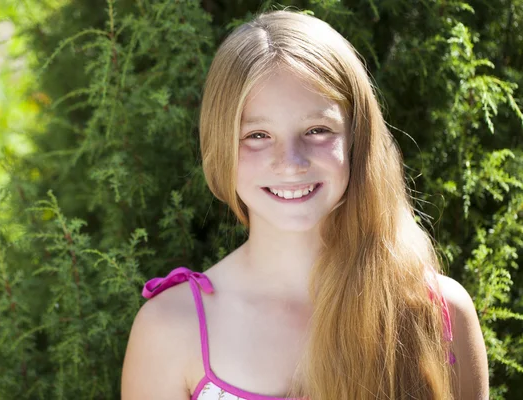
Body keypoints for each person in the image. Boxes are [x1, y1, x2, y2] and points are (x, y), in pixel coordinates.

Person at [121, 9, 489, 400]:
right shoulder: (170, 328)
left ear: (356, 138)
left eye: (317, 130)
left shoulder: (439, 312)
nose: (291, 162)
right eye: (258, 135)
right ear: (219, 147)